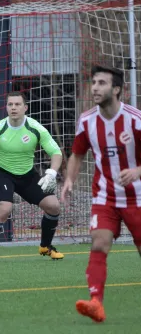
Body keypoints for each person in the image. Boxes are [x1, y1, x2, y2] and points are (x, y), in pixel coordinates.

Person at [61, 65, 141, 323]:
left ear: (116, 89)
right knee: (99, 242)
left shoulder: (135, 119)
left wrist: (138, 170)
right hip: (104, 196)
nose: (95, 87)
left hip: (137, 198)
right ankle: (96, 302)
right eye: (94, 82)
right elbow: (77, 154)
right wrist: (69, 180)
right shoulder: (87, 120)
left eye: (102, 83)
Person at [0, 91, 64, 264]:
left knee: (53, 206)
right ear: (6, 107)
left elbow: (55, 152)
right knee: (4, 209)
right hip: (2, 174)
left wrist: (51, 173)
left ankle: (45, 246)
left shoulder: (36, 128)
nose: (13, 108)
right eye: (10, 104)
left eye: (17, 104)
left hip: (27, 175)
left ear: (25, 107)